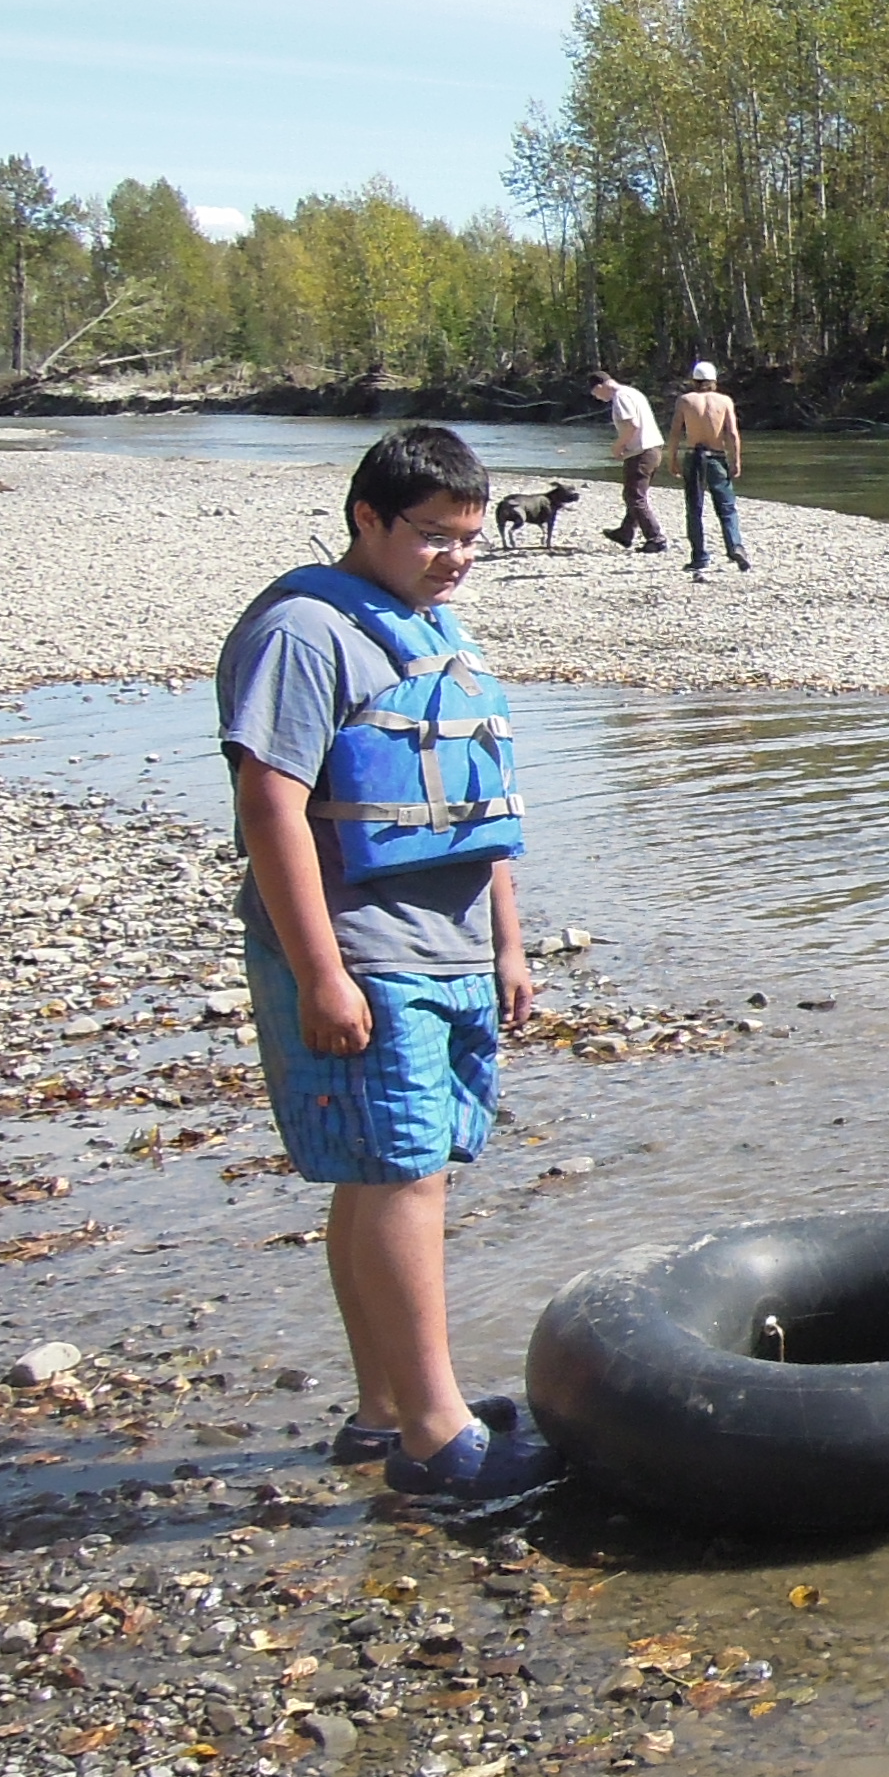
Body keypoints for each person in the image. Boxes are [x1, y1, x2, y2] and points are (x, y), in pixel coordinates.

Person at [213, 424, 559, 1500]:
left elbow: (474, 797)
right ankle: (437, 1436)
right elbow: (268, 805)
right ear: (367, 517)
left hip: (446, 942)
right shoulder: (303, 633)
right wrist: (321, 973)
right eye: (434, 536)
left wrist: (507, 942)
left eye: (471, 538)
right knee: (404, 1178)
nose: (457, 558)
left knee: (387, 1176)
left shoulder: (428, 626)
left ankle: (385, 1410)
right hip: (365, 950)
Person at [671, 359, 749, 576]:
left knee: (694, 509)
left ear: (694, 381)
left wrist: (672, 459)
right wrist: (736, 460)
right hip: (716, 457)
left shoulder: (685, 400)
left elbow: (675, 432)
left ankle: (699, 557)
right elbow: (732, 433)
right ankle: (735, 546)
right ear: (714, 381)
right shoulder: (724, 401)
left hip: (694, 456)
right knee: (726, 507)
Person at [592, 369, 668, 552]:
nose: (597, 398)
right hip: (653, 448)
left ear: (600, 386)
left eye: (595, 393)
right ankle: (625, 532)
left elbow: (631, 425)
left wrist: (618, 446)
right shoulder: (633, 392)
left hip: (641, 452)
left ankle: (656, 538)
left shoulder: (621, 397)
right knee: (635, 494)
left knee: (634, 496)